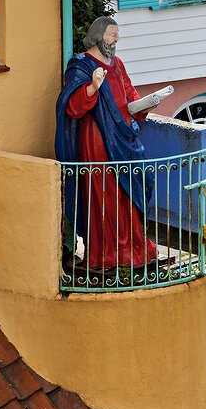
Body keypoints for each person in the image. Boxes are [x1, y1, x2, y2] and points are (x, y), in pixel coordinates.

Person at [55, 16, 158, 271]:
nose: (117, 39)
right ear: (99, 36)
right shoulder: (80, 65)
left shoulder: (118, 64)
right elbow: (71, 107)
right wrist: (92, 87)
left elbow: (129, 95)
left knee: (128, 194)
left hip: (125, 137)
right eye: (113, 34)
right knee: (104, 195)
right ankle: (106, 254)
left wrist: (146, 104)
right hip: (97, 139)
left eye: (117, 34)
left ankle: (134, 248)